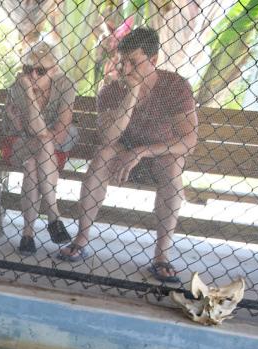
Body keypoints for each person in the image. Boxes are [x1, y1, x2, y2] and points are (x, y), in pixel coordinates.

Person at [55, 27, 198, 284]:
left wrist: (142, 151)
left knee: (173, 164)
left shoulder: (175, 86)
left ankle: (161, 256)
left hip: (159, 153)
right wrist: (131, 93)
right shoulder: (111, 89)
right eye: (123, 62)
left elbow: (189, 141)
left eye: (134, 62)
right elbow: (110, 137)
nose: (126, 68)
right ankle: (81, 239)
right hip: (122, 152)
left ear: (153, 60)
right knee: (102, 155)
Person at [0, 41, 76, 254]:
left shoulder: (66, 86)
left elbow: (58, 133)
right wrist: (30, 94)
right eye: (27, 69)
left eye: (40, 70)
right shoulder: (19, 86)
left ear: (55, 70)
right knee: (40, 146)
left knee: (33, 163)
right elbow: (29, 131)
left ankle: (27, 234)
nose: (32, 75)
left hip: (52, 149)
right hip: (18, 143)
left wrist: (39, 134)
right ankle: (54, 216)